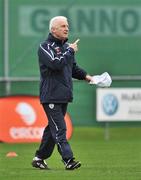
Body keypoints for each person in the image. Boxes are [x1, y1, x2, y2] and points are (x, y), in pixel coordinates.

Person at [31, 16, 93, 170]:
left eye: (67, 26)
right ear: (53, 30)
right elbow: (55, 63)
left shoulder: (66, 48)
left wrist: (87, 76)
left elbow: (72, 69)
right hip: (50, 95)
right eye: (63, 26)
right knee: (60, 128)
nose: (67, 28)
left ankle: (39, 158)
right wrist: (70, 51)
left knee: (53, 129)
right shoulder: (45, 46)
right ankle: (68, 160)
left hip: (63, 95)